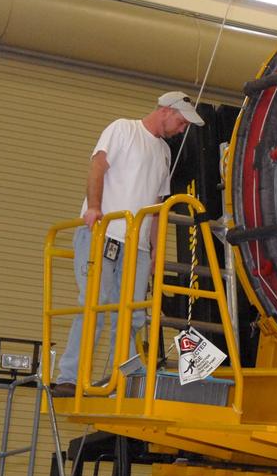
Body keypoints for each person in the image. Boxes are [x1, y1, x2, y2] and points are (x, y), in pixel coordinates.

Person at [51, 92, 204, 397]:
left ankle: (121, 380)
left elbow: (158, 207)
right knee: (96, 303)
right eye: (181, 122)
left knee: (133, 315)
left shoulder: (163, 152)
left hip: (138, 247)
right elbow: (97, 166)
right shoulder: (123, 129)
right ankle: (70, 376)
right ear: (165, 110)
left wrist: (156, 252)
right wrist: (94, 208)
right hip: (104, 234)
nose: (182, 129)